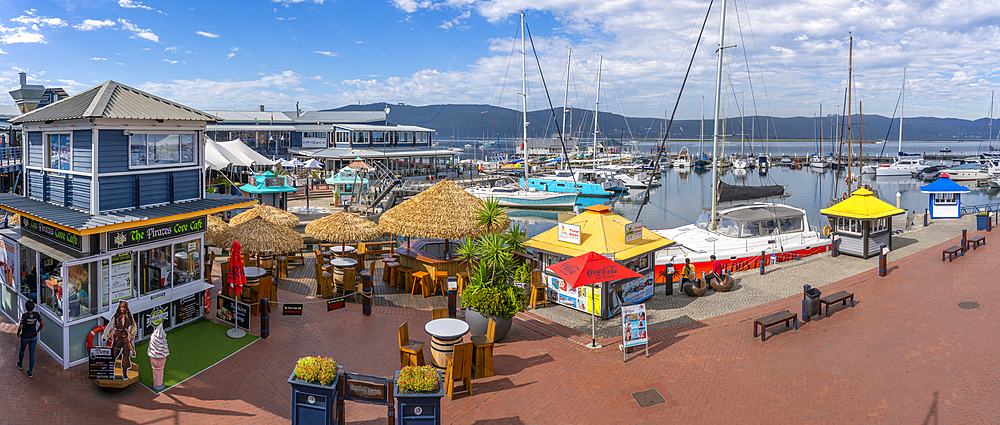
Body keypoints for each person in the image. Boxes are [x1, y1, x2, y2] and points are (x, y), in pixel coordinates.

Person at [103, 300, 136, 380]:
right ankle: (110, 372)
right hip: (117, 338)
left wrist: (131, 334)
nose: (123, 309)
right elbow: (110, 326)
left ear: (126, 308)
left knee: (126, 357)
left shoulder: (129, 317)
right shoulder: (116, 317)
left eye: (124, 307)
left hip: (125, 339)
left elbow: (133, 326)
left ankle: (124, 373)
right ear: (119, 307)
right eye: (121, 307)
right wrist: (105, 336)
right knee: (113, 355)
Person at [16, 300, 43, 378]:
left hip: (25, 337)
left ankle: (20, 364)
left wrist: (18, 333)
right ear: (33, 307)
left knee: (22, 350)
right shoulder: (36, 315)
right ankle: (30, 372)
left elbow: (20, 326)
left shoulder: (25, 316)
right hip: (33, 337)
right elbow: (42, 324)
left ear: (26, 307)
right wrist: (37, 331)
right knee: (32, 354)